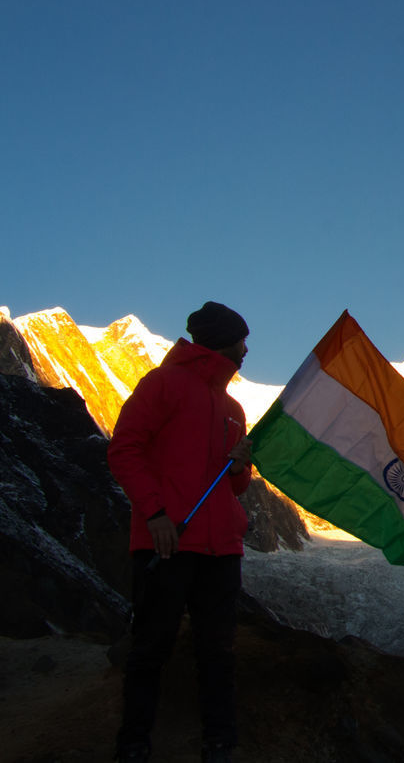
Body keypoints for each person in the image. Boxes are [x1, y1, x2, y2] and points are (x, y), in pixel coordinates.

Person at [109, 301, 254, 763]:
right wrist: (154, 515)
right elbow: (124, 449)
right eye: (241, 340)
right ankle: (133, 742)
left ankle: (220, 740)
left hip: (221, 546)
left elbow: (237, 485)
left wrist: (241, 463)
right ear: (222, 341)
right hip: (168, 540)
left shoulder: (233, 406)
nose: (246, 349)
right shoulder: (163, 384)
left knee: (218, 649)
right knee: (152, 645)